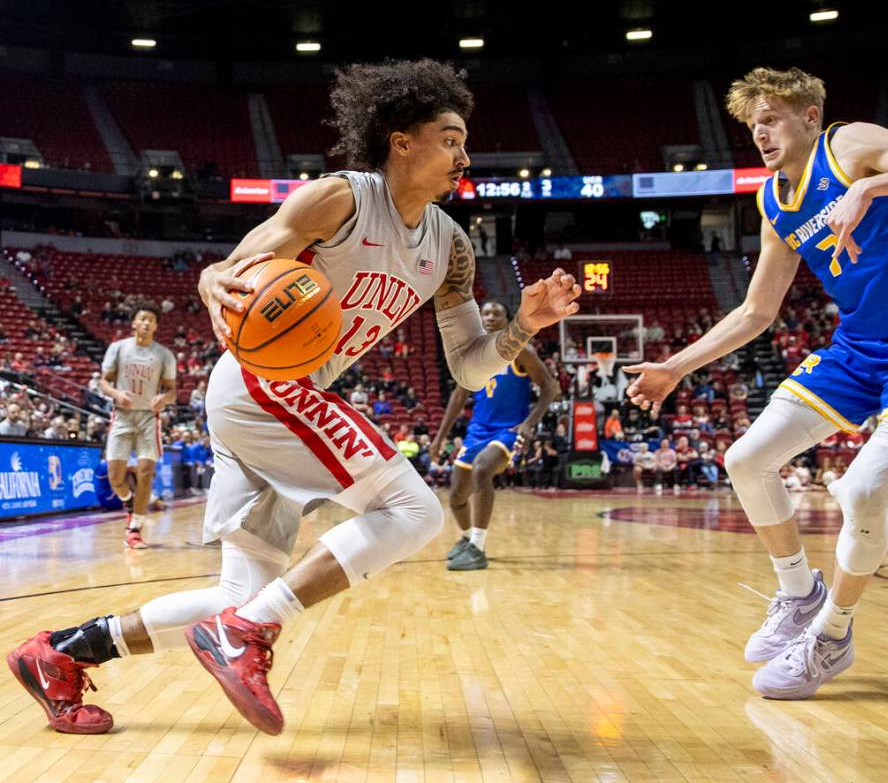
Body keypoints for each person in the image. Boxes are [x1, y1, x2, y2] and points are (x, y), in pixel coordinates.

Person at [7, 59, 581, 737]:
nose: (464, 154)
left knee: (236, 594)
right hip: (262, 384)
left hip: (273, 397)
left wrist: (522, 327)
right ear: (403, 140)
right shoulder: (342, 197)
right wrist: (215, 277)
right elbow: (249, 255)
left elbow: (467, 367)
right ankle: (246, 633)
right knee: (413, 510)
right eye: (450, 138)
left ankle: (62, 654)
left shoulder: (450, 248)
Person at [623, 66, 888, 699]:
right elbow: (756, 313)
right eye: (753, 124)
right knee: (746, 459)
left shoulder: (850, 146)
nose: (760, 133)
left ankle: (832, 634)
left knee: (864, 490)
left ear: (810, 117)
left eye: (771, 118)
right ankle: (799, 592)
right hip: (857, 350)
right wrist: (675, 367)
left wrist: (873, 189)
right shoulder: (773, 200)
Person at [431, 301, 559, 571]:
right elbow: (457, 398)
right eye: (485, 313)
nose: (489, 317)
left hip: (508, 430)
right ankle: (467, 539)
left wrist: (528, 424)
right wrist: (439, 437)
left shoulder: (522, 350)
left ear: (506, 319)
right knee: (455, 497)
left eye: (496, 313)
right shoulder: (473, 354)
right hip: (478, 430)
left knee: (482, 470)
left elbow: (550, 387)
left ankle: (478, 547)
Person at [96, 302, 177, 548]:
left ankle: (135, 527)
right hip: (121, 415)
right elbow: (104, 382)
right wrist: (116, 394)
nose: (145, 322)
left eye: (150, 320)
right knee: (115, 478)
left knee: (145, 472)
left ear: (155, 326)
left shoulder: (164, 354)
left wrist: (163, 399)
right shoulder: (118, 348)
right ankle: (129, 502)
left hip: (147, 419)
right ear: (133, 323)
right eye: (142, 318)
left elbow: (172, 391)